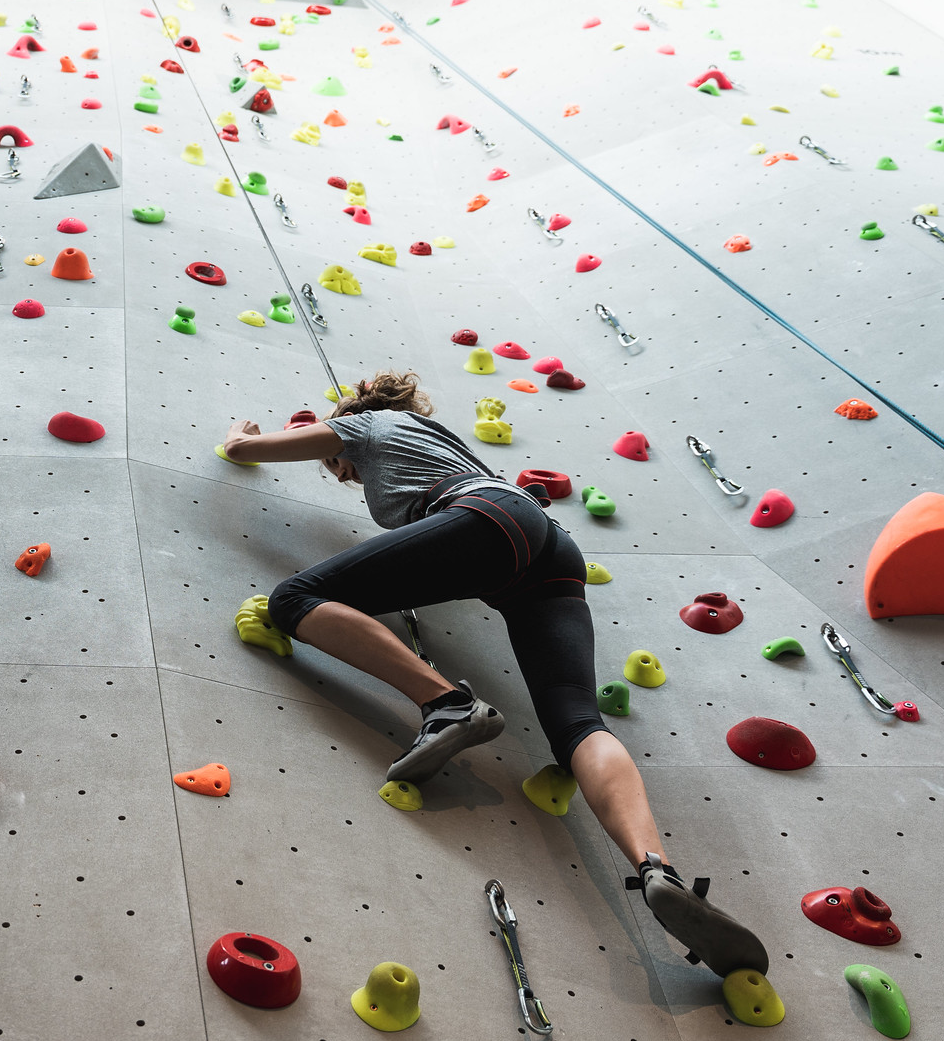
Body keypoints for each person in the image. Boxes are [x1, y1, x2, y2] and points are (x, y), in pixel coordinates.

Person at [221, 370, 768, 978]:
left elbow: (246, 452)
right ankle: (656, 869)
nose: (342, 474)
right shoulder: (442, 442)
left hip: (487, 521)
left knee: (295, 598)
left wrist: (241, 434)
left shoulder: (366, 427)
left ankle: (446, 705)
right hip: (545, 547)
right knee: (577, 722)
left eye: (338, 466)